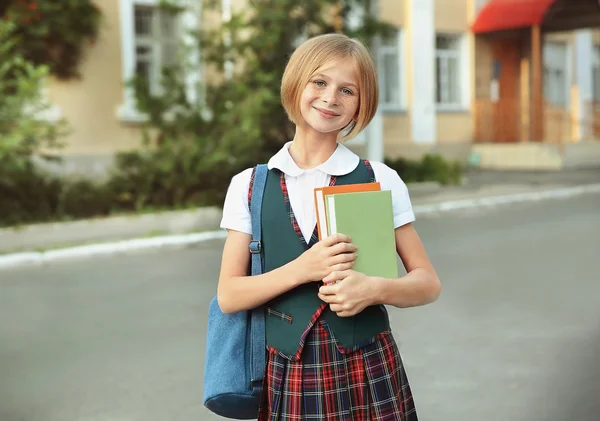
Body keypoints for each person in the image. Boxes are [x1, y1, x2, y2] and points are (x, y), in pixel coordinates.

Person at [217, 33, 441, 421]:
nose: (330, 97)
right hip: (287, 373)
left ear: (360, 105)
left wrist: (375, 289)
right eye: (319, 82)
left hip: (367, 370)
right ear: (297, 85)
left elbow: (427, 283)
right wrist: (302, 270)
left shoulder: (378, 179)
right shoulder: (251, 186)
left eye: (347, 90)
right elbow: (229, 295)